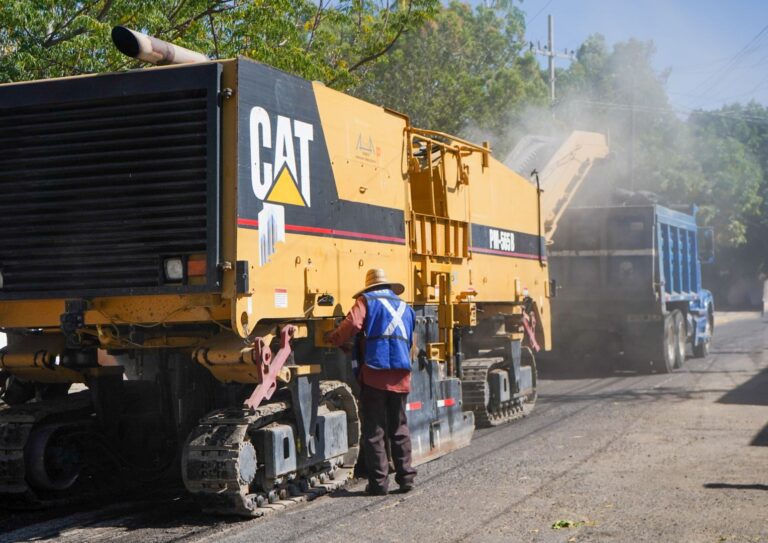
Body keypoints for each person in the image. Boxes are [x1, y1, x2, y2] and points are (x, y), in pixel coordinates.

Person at [325, 268, 417, 495]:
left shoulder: (365, 301)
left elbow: (355, 324)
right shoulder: (406, 307)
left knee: (375, 429)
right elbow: (409, 340)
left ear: (370, 287)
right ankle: (406, 478)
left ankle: (378, 484)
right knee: (399, 427)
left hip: (375, 374)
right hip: (401, 374)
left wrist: (334, 338)